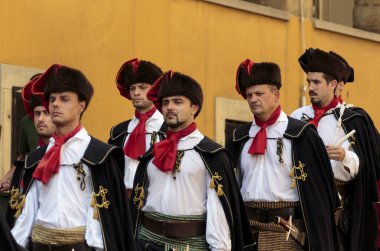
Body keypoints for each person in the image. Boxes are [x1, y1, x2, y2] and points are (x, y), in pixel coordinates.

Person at [11, 64, 135, 250]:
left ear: (81, 106)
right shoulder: (36, 159)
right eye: (52, 99)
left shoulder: (100, 157)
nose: (55, 104)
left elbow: (108, 223)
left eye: (64, 99)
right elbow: (26, 214)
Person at [130, 71, 255, 250]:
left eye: (178, 102)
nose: (170, 107)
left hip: (190, 245)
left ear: (194, 108)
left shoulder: (211, 155)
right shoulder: (152, 155)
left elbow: (218, 212)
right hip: (146, 243)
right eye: (165, 102)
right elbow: (137, 206)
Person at [226, 59, 339, 250]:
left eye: (259, 93)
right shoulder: (240, 137)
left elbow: (318, 195)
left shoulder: (301, 135)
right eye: (249, 95)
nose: (253, 99)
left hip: (285, 233)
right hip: (247, 233)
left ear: (276, 95)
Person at [291, 48, 378, 251]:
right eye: (308, 82)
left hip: (339, 212)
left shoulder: (354, 119)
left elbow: (367, 166)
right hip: (302, 207)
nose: (310, 87)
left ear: (333, 85)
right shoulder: (296, 117)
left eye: (316, 82)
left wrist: (345, 156)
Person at [4, 74, 56, 228]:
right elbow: (22, 155)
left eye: (46, 113)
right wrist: (10, 175)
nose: (40, 119)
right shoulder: (26, 122)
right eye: (37, 114)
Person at [108, 58, 164, 195]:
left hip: (153, 202)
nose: (136, 93)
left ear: (155, 90)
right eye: (132, 88)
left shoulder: (167, 129)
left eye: (142, 87)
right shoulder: (118, 131)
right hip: (123, 202)